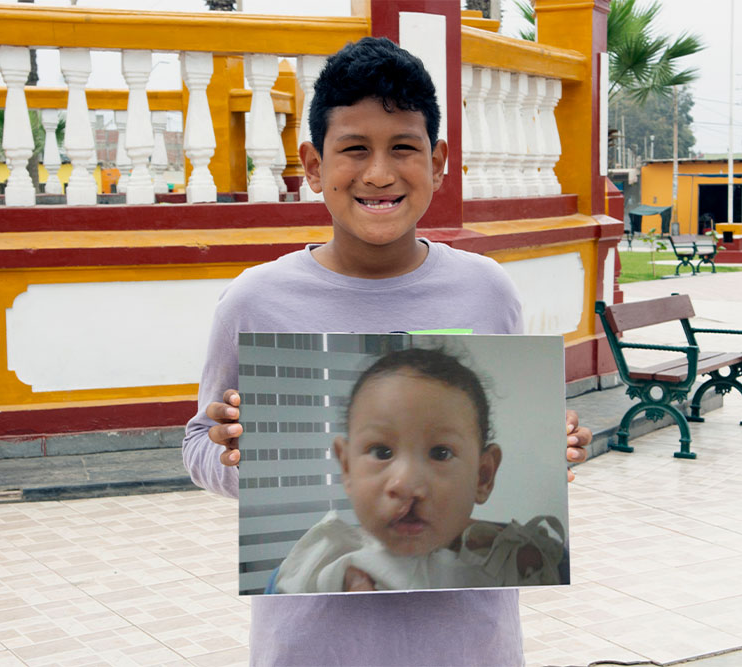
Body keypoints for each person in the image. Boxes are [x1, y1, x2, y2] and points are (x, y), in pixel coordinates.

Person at [183, 36, 592, 666]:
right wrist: (237, 455)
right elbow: (196, 444)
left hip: (469, 649)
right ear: (314, 166)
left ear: (439, 161)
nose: (379, 174)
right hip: (312, 649)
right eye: (354, 150)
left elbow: (531, 443)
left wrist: (554, 447)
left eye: (404, 147)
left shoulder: (488, 293)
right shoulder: (255, 300)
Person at [272, 347, 567, 595]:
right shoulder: (325, 561)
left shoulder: (519, 562)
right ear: (347, 467)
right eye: (381, 452)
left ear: (482, 476)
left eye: (440, 453)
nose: (406, 484)